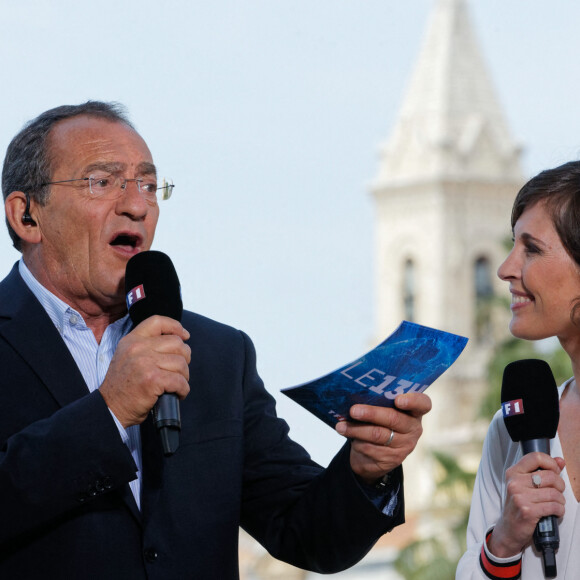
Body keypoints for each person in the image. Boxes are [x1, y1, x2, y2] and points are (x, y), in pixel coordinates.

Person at [0, 101, 432, 579]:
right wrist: (110, 412)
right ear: (26, 216)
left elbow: (308, 534)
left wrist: (367, 470)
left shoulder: (218, 355)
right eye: (102, 182)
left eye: (147, 184)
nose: (137, 204)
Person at [456, 160, 580, 579]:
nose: (505, 268)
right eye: (513, 245)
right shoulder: (512, 428)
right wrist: (504, 542)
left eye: (532, 248)